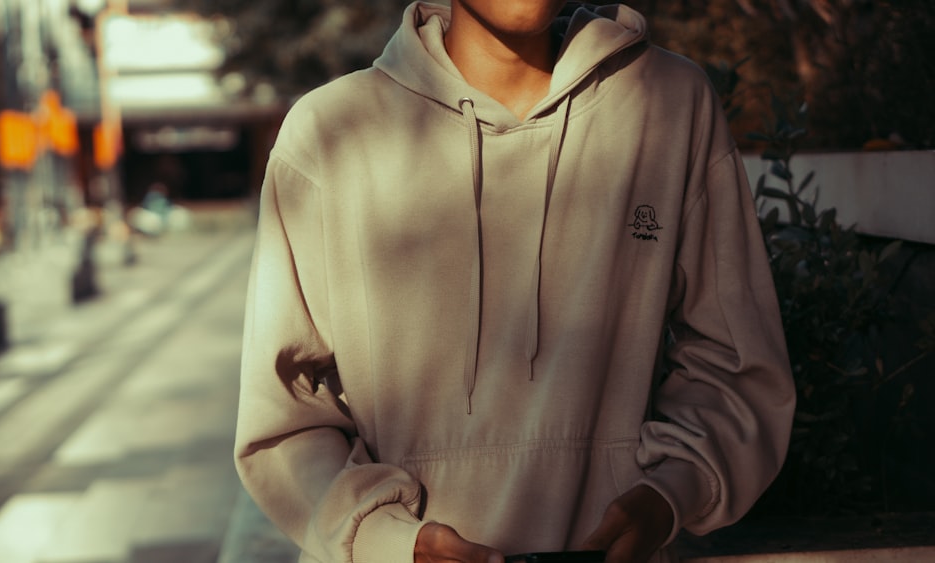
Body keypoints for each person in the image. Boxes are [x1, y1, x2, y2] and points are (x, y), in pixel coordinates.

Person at [234, 1, 796, 562]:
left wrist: (669, 495)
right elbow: (285, 419)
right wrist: (388, 541)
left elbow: (738, 365)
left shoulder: (669, 103)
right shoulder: (329, 133)